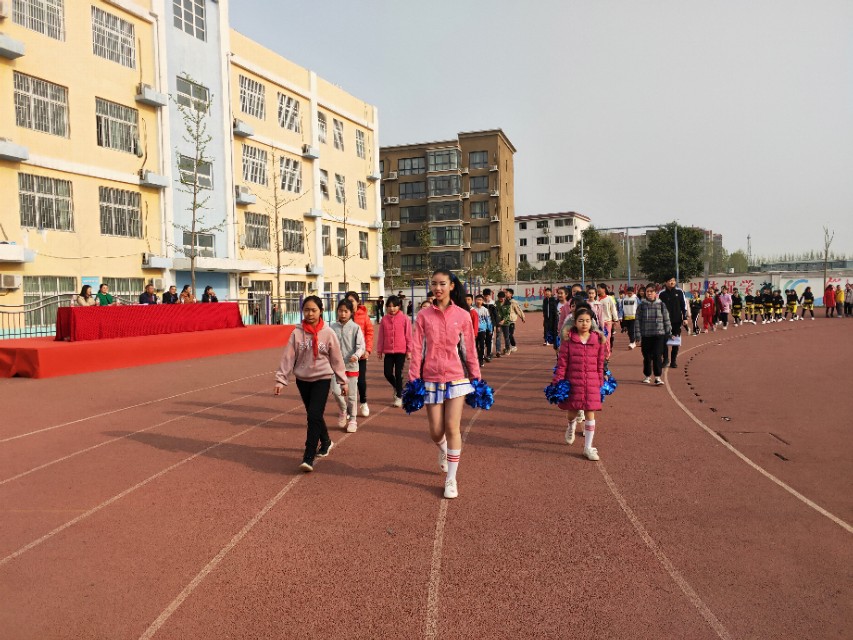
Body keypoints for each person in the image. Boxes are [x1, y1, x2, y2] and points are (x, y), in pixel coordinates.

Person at [409, 269, 480, 499]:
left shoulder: (462, 315)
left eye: (442, 284)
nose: (437, 288)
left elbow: (469, 349)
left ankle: (451, 479)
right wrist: (413, 378)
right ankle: (444, 450)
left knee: (452, 427)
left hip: (456, 377)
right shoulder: (423, 316)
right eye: (434, 284)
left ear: (451, 286)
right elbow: (417, 348)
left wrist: (475, 376)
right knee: (435, 430)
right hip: (430, 376)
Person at [274, 296, 347, 472]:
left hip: (322, 379)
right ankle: (327, 441)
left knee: (313, 415)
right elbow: (288, 357)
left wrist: (342, 381)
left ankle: (308, 456)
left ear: (320, 311)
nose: (310, 313)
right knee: (314, 415)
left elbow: (336, 359)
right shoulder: (296, 333)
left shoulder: (328, 333)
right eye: (306, 310)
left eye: (313, 310)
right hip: (303, 381)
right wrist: (281, 379)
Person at [553, 308, 607, 461]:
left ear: (592, 322)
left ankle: (588, 447)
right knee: (573, 413)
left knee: (590, 413)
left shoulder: (597, 340)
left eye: (588, 321)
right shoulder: (568, 341)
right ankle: (571, 426)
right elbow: (562, 364)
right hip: (573, 382)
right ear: (575, 322)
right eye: (581, 320)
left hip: (591, 382)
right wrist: (558, 380)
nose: (584, 324)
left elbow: (600, 363)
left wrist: (599, 381)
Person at [330, 299, 365, 433]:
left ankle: (353, 419)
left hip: (351, 366)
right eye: (340, 311)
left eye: (346, 311)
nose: (343, 314)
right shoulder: (332, 327)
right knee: (336, 391)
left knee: (351, 395)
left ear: (351, 312)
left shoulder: (355, 328)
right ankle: (344, 410)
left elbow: (361, 346)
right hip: (335, 367)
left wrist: (356, 355)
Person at [376, 295, 412, 408]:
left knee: (398, 374)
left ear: (399, 306)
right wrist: (379, 350)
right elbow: (381, 336)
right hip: (388, 351)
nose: (392, 309)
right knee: (387, 373)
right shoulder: (384, 320)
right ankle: (398, 388)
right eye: (389, 306)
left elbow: (408, 335)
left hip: (401, 351)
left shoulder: (405, 318)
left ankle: (399, 396)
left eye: (395, 306)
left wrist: (409, 350)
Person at [633, 283, 672, 386]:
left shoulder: (661, 305)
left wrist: (668, 331)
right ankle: (647, 375)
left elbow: (666, 318)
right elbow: (637, 321)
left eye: (651, 291)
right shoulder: (641, 306)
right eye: (647, 291)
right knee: (646, 356)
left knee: (657, 356)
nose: (649, 293)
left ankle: (658, 377)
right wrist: (637, 335)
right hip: (646, 335)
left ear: (655, 293)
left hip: (659, 334)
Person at [346, 291, 374, 417]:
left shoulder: (364, 316)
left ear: (357, 302)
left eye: (352, 301)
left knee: (360, 381)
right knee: (347, 383)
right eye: (348, 301)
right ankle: (349, 407)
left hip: (361, 354)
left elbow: (369, 333)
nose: (350, 303)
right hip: (347, 356)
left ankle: (363, 402)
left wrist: (367, 350)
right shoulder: (344, 315)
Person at [659, 277, 689, 367]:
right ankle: (665, 359)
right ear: (666, 282)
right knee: (664, 340)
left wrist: (685, 317)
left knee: (675, 340)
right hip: (664, 321)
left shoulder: (679, 292)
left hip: (677, 320)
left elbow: (684, 306)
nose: (672, 282)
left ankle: (673, 361)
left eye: (673, 281)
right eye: (669, 281)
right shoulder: (662, 294)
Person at [597, 283, 619, 349]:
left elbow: (613, 309)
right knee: (598, 339)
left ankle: (607, 355)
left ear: (604, 289)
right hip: (598, 322)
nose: (598, 289)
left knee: (606, 339)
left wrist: (615, 319)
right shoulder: (596, 298)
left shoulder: (609, 298)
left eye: (599, 288)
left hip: (607, 322)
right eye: (597, 288)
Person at [473, 294, 493, 365]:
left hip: (482, 330)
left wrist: (490, 329)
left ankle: (481, 360)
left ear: (482, 301)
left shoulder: (485, 310)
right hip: (474, 331)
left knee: (482, 345)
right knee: (474, 346)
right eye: (477, 299)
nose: (479, 301)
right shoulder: (472, 309)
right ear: (475, 300)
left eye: (480, 300)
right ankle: (477, 358)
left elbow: (488, 320)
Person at [505, 288, 526, 353]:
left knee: (510, 334)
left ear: (511, 294)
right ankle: (508, 346)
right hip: (505, 321)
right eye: (505, 292)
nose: (505, 294)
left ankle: (514, 346)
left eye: (507, 292)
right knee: (506, 335)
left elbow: (518, 310)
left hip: (511, 320)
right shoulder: (504, 301)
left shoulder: (513, 302)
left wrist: (522, 317)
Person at [482, 288, 500, 357]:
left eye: (488, 296)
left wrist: (497, 325)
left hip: (491, 324)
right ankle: (482, 354)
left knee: (490, 338)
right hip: (483, 324)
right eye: (485, 296)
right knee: (483, 339)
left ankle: (489, 353)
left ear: (490, 296)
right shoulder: (482, 304)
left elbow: (496, 316)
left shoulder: (493, 304)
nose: (486, 297)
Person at [495, 291, 512, 356]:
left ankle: (508, 348)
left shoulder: (508, 303)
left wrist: (503, 320)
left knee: (506, 337)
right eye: (499, 298)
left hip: (506, 323)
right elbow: (495, 312)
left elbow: (508, 314)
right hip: (498, 323)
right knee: (498, 337)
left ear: (504, 298)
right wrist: (497, 321)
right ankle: (498, 351)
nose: (501, 300)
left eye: (502, 298)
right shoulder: (496, 303)